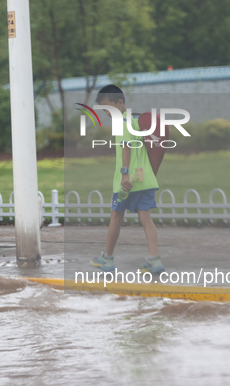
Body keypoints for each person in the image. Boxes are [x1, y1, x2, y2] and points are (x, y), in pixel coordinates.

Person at [90, 85, 165, 274]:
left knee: (115, 217)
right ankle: (154, 260)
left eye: (108, 108)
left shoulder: (122, 122)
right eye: (103, 110)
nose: (107, 113)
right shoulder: (135, 121)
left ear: (120, 103)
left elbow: (126, 146)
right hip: (144, 179)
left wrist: (124, 174)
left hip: (127, 182)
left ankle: (107, 259)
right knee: (146, 219)